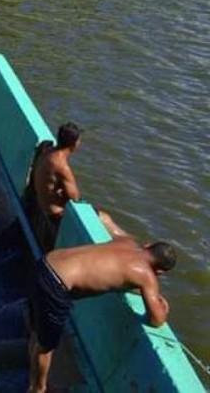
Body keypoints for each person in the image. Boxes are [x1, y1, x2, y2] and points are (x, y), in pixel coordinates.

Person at [28, 238, 176, 393]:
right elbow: (157, 320)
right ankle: (37, 389)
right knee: (47, 345)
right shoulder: (146, 275)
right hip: (56, 283)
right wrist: (160, 305)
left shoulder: (127, 243)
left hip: (46, 262)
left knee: (38, 331)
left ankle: (33, 373)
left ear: (147, 245)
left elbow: (112, 269)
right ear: (159, 272)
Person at [32, 123, 125, 250]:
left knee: (103, 216)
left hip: (43, 205)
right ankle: (129, 242)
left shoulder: (48, 152)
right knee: (104, 218)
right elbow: (75, 197)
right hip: (55, 215)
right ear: (75, 144)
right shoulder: (61, 166)